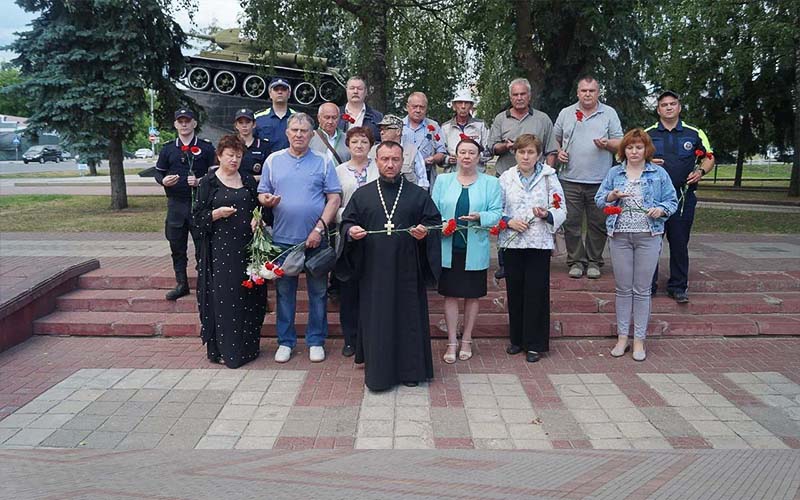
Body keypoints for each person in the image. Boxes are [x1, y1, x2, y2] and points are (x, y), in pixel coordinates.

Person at [338, 140, 442, 391]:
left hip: (407, 270)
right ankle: (379, 374)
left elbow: (434, 222)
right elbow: (347, 223)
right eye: (385, 159)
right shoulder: (363, 194)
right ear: (377, 160)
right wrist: (351, 231)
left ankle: (411, 370)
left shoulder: (418, 194)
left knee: (408, 317)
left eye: (395, 159)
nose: (390, 164)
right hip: (373, 271)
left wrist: (425, 232)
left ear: (402, 161)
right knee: (379, 320)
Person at [257, 113, 342, 363]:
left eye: (304, 131)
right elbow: (262, 192)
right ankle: (286, 341)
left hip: (315, 238)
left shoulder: (323, 161)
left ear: (311, 134)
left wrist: (319, 229)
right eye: (294, 130)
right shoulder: (273, 161)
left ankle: (316, 340)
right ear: (287, 133)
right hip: (283, 240)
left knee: (317, 292)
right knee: (285, 293)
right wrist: (266, 200)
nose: (299, 135)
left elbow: (334, 198)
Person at [595, 129, 678, 361]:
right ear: (624, 150)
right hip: (620, 236)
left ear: (646, 150)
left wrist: (661, 209)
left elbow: (672, 201)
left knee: (642, 290)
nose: (634, 151)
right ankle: (622, 337)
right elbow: (599, 200)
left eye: (638, 147)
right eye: (630, 147)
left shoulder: (658, 173)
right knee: (623, 289)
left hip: (648, 236)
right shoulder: (614, 173)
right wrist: (612, 196)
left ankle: (639, 339)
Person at [192, 135, 267, 368]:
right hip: (221, 253)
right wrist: (216, 215)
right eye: (230, 155)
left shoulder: (247, 180)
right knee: (227, 300)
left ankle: (248, 348)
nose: (234, 159)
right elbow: (196, 218)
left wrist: (258, 220)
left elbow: (258, 209)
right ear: (219, 156)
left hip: (248, 250)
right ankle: (227, 350)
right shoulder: (208, 182)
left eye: (238, 155)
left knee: (250, 298)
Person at [431, 138, 502, 364]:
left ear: (479, 156)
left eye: (472, 152)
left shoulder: (490, 183)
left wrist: (481, 216)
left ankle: (467, 339)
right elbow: (433, 211)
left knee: (472, 296)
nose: (467, 156)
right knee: (450, 295)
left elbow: (497, 212)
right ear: (456, 155)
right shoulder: (443, 180)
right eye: (463, 152)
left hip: (474, 248)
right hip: (448, 246)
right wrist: (441, 224)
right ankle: (452, 341)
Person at [497, 134, 566, 363]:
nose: (526, 156)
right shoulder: (506, 178)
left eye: (531, 152)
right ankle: (517, 339)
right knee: (515, 290)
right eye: (521, 152)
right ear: (515, 153)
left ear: (538, 155)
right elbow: (496, 207)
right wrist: (508, 221)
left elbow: (560, 207)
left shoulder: (549, 177)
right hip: (513, 241)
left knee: (536, 291)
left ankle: (535, 343)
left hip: (538, 242)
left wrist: (547, 214)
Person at [645, 90, 715, 303]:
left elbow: (710, 157)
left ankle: (677, 286)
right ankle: (648, 286)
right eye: (664, 104)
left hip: (683, 198)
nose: (668, 107)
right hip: (653, 199)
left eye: (672, 104)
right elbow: (629, 155)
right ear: (658, 109)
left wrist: (700, 171)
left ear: (679, 107)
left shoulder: (694, 133)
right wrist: (646, 163)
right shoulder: (647, 134)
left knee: (679, 242)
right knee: (651, 243)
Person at [555, 76, 624, 280]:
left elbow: (620, 143)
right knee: (571, 223)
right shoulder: (567, 113)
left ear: (598, 92)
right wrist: (559, 152)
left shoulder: (609, 113)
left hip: (600, 180)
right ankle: (576, 261)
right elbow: (555, 138)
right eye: (583, 90)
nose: (587, 94)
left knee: (597, 223)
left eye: (591, 91)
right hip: (570, 178)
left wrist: (607, 144)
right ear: (577, 92)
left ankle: (594, 261)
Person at [154, 108, 216, 300]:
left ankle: (204, 284)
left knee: (202, 245)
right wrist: (163, 181)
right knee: (176, 245)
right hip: (176, 205)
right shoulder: (168, 148)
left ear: (194, 123)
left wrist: (201, 181)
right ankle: (181, 284)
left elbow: (215, 173)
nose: (184, 124)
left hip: (199, 204)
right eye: (180, 121)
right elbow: (158, 172)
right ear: (175, 125)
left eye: (187, 120)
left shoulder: (206, 147)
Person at [334, 126, 378, 358]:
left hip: (376, 237)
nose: (359, 145)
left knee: (372, 289)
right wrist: (350, 220)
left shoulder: (380, 168)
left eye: (364, 141)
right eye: (355, 141)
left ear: (371, 145)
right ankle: (350, 339)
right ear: (348, 145)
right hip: (348, 236)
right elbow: (332, 203)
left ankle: (371, 337)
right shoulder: (339, 171)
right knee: (349, 290)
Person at [489, 78, 558, 177]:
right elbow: (492, 148)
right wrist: (505, 146)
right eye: (515, 95)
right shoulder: (500, 119)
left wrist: (547, 175)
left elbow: (551, 151)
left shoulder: (543, 119)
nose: (519, 98)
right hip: (505, 177)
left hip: (535, 178)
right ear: (510, 97)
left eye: (523, 94)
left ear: (529, 96)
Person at [370, 114, 428, 189]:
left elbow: (422, 180)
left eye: (386, 128)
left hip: (407, 196)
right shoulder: (372, 152)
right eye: (381, 129)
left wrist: (419, 198)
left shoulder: (412, 151)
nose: (382, 132)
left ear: (398, 131)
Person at [402, 92, 446, 187]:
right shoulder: (399, 126)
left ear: (426, 108)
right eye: (415, 106)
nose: (418, 110)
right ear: (407, 107)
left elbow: (441, 152)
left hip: (427, 174)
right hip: (403, 175)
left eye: (422, 107)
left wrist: (433, 159)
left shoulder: (434, 126)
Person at [441, 90, 491, 173]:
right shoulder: (445, 128)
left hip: (477, 173)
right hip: (452, 174)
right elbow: (440, 153)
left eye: (466, 103)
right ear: (454, 106)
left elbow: (490, 150)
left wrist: (476, 157)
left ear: (471, 106)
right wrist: (448, 159)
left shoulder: (481, 125)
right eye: (460, 103)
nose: (463, 106)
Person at [254, 78, 296, 152]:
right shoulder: (258, 117)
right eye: (276, 89)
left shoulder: (298, 118)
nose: (280, 92)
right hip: (265, 161)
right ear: (270, 94)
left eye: (283, 89)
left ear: (289, 94)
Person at [338, 76, 383, 141]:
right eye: (352, 88)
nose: (355, 91)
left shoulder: (377, 117)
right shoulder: (336, 115)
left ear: (366, 92)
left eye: (359, 88)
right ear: (346, 91)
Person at [233, 108, 271, 182]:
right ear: (236, 125)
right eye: (241, 123)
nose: (244, 126)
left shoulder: (264, 146)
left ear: (254, 124)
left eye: (247, 122)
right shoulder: (230, 144)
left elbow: (268, 174)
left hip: (256, 188)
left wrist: (251, 179)